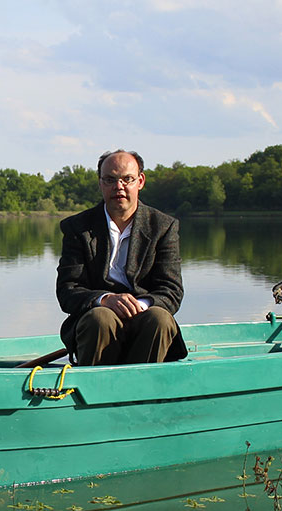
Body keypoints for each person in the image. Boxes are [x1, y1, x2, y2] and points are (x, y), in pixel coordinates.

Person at [56, 149, 186, 365]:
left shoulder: (163, 226)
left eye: (127, 179)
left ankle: (141, 384)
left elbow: (171, 291)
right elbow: (68, 290)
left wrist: (138, 306)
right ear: (100, 183)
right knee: (101, 317)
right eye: (110, 180)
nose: (119, 187)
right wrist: (106, 300)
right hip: (97, 322)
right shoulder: (77, 228)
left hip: (146, 318)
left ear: (140, 181)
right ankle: (95, 384)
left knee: (160, 318)